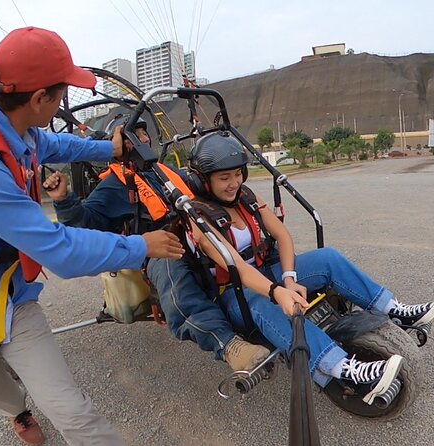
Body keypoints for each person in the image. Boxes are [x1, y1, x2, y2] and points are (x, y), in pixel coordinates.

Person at [0, 26, 184, 446]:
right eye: (61, 93)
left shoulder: (16, 131)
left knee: (74, 413)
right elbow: (57, 249)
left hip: (11, 297)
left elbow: (58, 146)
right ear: (39, 99)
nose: (62, 102)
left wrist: (111, 149)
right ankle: (17, 409)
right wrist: (141, 245)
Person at [182, 131, 434, 403]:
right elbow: (237, 267)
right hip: (236, 293)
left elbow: (282, 235)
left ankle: (393, 310)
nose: (234, 183)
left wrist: (289, 277)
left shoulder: (246, 197)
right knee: (265, 304)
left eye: (238, 174)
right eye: (224, 178)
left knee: (327, 257)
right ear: (203, 181)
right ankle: (343, 368)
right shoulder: (199, 217)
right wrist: (277, 292)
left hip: (267, 273)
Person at [44, 113, 272, 372]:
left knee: (251, 231)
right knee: (171, 273)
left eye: (142, 133)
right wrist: (64, 200)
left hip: (195, 233)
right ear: (118, 144)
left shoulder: (165, 171)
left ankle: (279, 287)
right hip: (161, 247)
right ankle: (228, 345)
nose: (140, 139)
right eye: (132, 135)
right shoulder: (113, 186)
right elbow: (85, 225)